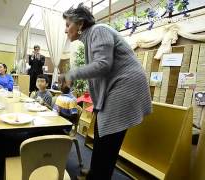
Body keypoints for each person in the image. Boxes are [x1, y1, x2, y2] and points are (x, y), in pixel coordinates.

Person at [61, 4, 152, 180]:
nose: (66, 30)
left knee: (108, 138)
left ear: (80, 23)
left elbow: (103, 65)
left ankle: (100, 175)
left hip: (126, 85)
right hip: (117, 86)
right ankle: (96, 171)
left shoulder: (98, 30)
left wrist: (73, 73)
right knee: (100, 131)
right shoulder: (90, 37)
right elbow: (100, 72)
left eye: (67, 25)